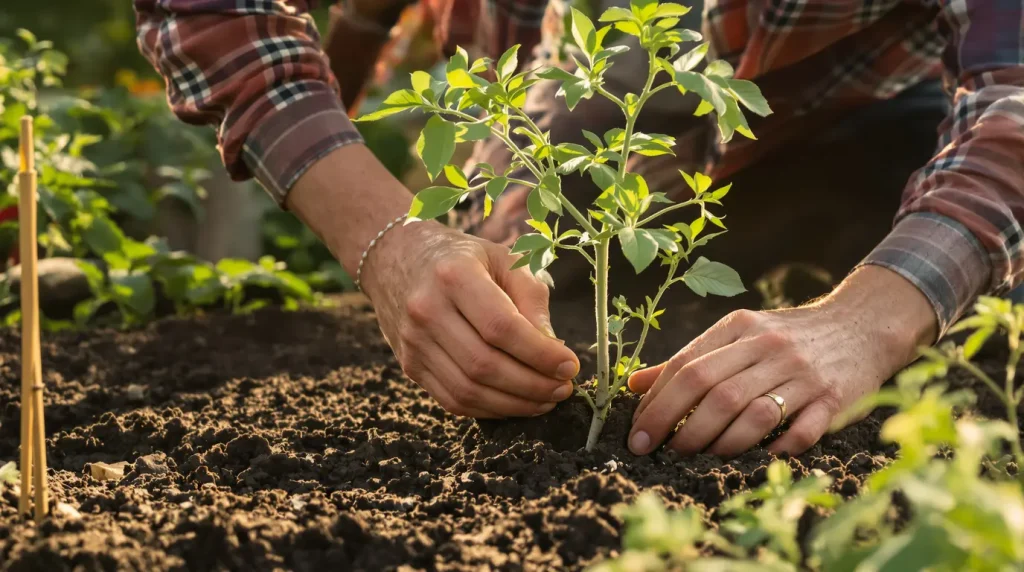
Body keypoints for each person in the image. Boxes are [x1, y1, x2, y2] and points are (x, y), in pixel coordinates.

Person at [133, 0, 1024, 458]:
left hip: (857, 94)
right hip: (576, 79)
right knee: (528, 315)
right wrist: (385, 239)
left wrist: (864, 320)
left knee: (939, 317)